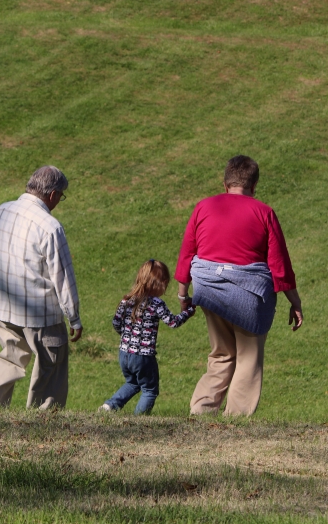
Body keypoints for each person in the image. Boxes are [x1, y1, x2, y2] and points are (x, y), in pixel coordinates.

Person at [175, 155, 303, 416]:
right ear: (254, 186)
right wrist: (295, 301)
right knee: (248, 358)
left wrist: (183, 293)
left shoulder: (203, 207)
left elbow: (188, 252)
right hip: (250, 296)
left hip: (209, 291)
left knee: (220, 355)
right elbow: (279, 264)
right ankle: (235, 421)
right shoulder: (264, 212)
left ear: (225, 184)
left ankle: (201, 412)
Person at [0, 165, 83, 409]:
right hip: (41, 315)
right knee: (51, 366)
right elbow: (63, 277)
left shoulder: (0, 212)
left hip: (3, 308)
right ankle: (41, 420)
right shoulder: (50, 226)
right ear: (53, 195)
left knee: (10, 360)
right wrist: (74, 318)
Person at [99, 260, 195, 415]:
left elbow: (116, 322)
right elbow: (173, 322)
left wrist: (126, 337)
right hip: (143, 356)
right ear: (161, 283)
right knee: (150, 389)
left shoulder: (127, 299)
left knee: (132, 382)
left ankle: (109, 406)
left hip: (124, 353)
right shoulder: (156, 303)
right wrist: (188, 311)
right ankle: (138, 420)